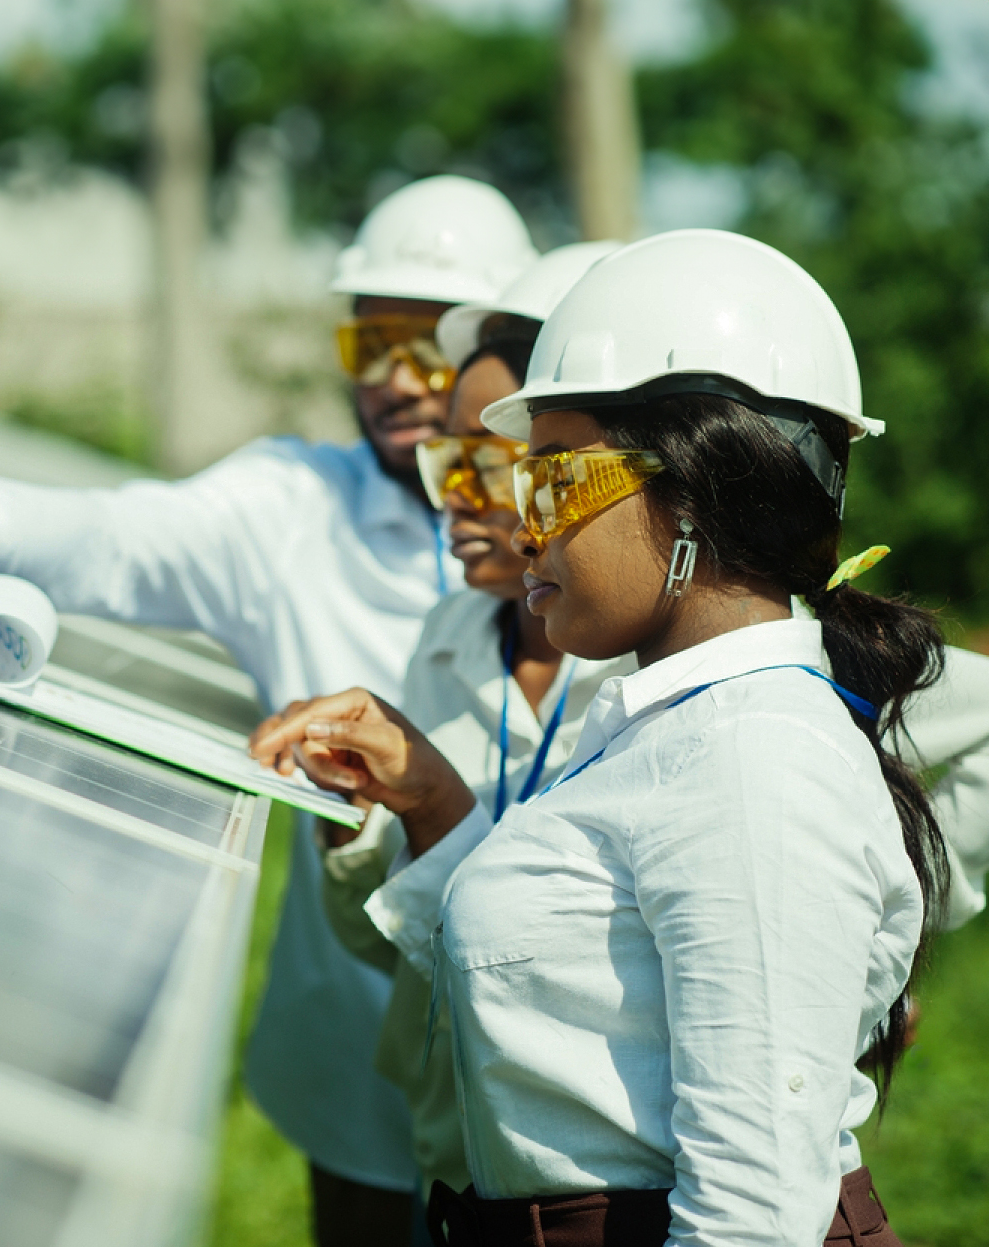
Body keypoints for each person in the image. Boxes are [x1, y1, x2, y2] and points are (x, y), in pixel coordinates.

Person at [0, 175, 538, 1246]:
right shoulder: (293, 507)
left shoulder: (585, 557)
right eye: (368, 344)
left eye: (428, 347)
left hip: (539, 1062)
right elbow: (119, 536)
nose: (394, 381)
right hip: (353, 1042)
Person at [250, 229, 955, 1245]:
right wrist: (428, 800)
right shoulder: (666, 719)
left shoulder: (755, 762)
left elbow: (750, 1216)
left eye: (549, 478)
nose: (521, 523)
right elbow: (576, 963)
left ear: (692, 490)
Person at [315, 243, 634, 1202]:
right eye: (443, 457)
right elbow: (393, 943)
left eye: (492, 463)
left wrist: (872, 964)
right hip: (455, 1164)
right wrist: (360, 826)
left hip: (592, 1185)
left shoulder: (665, 664)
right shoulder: (453, 629)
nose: (449, 493)